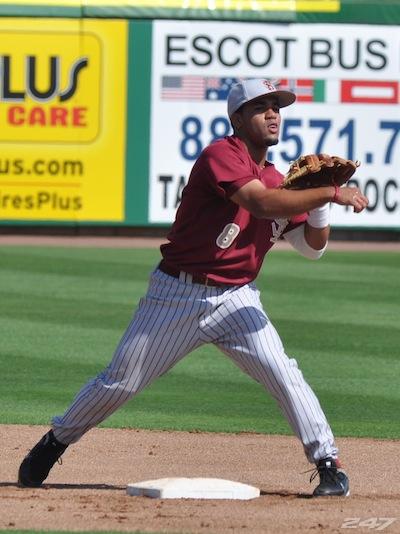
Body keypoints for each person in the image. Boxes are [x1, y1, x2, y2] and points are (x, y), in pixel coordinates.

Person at [18, 78, 368, 496]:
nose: (274, 113)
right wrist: (329, 191)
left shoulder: (281, 179)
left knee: (284, 373)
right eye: (261, 106)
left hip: (237, 299)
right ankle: (55, 441)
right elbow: (259, 203)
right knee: (119, 383)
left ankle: (329, 464)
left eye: (277, 106)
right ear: (237, 118)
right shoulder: (222, 155)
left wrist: (320, 203)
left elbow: (312, 248)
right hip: (176, 296)